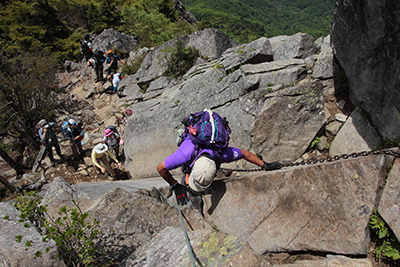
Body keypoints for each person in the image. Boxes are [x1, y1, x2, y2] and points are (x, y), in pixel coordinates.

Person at [156, 131, 281, 206]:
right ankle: (187, 173)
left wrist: (265, 165)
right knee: (186, 179)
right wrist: (175, 185)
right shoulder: (184, 154)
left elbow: (245, 155)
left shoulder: (222, 154)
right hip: (191, 150)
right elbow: (160, 168)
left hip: (204, 153)